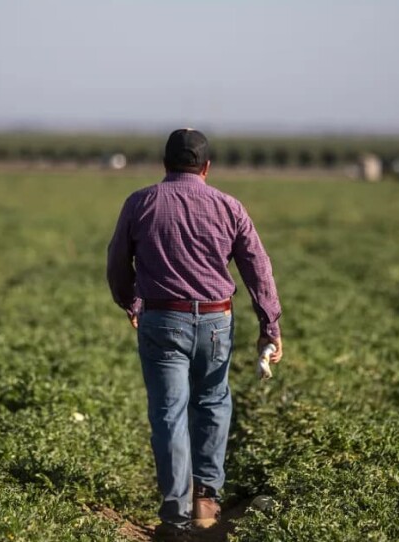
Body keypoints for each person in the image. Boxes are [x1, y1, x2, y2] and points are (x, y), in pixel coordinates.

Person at [106, 129, 283, 540]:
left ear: (165, 164)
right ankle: (206, 500)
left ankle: (175, 517)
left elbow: (117, 263)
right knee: (213, 403)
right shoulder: (228, 206)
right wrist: (268, 326)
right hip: (217, 322)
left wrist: (131, 302)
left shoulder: (141, 202)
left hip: (162, 320)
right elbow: (258, 267)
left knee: (169, 413)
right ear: (206, 167)